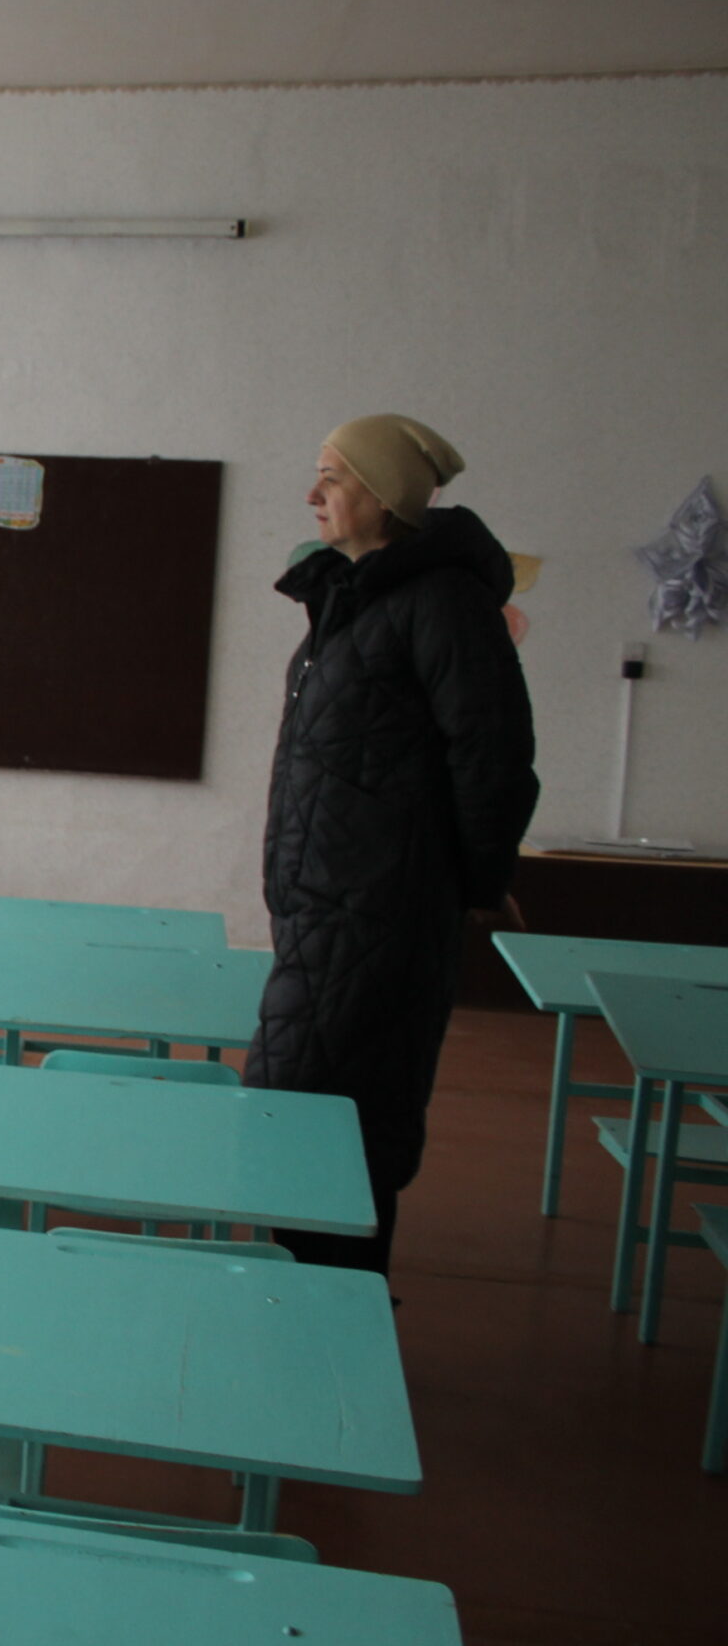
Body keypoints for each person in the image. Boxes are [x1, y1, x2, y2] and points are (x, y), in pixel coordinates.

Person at [249, 414, 538, 1277]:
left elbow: (492, 757)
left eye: (333, 477)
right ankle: (319, 1305)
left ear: (385, 497)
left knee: (326, 1123)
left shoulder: (441, 604)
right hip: (326, 911)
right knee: (317, 1121)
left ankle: (329, 1318)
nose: (312, 494)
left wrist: (473, 882)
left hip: (378, 914)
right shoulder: (356, 597)